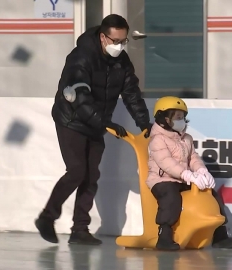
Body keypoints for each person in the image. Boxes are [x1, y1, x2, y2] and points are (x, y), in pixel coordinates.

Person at [35, 14, 153, 245]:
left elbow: (131, 94)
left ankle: (80, 230)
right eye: (115, 41)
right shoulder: (81, 57)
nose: (119, 46)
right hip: (72, 120)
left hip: (98, 122)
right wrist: (105, 123)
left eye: (123, 41)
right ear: (102, 37)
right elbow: (80, 97)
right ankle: (47, 217)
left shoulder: (122, 62)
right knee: (77, 171)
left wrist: (144, 123)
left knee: (91, 176)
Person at [146, 96, 232, 250]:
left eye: (182, 117)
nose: (181, 121)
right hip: (161, 180)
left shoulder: (186, 138)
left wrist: (201, 170)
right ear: (164, 118)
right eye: (177, 117)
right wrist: (185, 174)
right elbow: (166, 162)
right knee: (171, 198)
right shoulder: (157, 139)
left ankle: (220, 236)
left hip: (183, 180)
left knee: (211, 194)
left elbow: (193, 157)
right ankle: (164, 236)